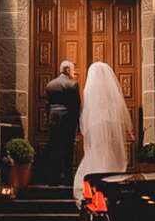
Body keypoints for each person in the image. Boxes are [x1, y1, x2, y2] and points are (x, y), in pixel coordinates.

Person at [72, 62, 132, 201]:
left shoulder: (90, 89)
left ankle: (93, 189)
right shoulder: (110, 91)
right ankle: (108, 188)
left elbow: (86, 111)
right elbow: (118, 110)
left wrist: (85, 128)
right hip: (109, 123)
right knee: (108, 153)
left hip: (95, 124)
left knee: (97, 153)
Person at [45, 60, 80, 186]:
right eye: (72, 69)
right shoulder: (72, 84)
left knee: (54, 148)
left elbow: (47, 104)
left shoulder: (50, 84)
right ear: (67, 70)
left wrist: (47, 120)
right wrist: (79, 126)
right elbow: (76, 106)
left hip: (53, 119)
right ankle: (67, 179)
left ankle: (53, 179)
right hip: (67, 119)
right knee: (68, 149)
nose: (74, 72)